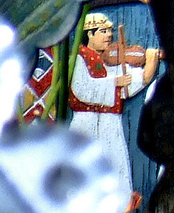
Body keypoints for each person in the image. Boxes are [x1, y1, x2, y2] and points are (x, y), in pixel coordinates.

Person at [69, 12, 162, 186]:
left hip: (110, 122)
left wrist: (150, 63)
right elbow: (82, 89)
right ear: (90, 34)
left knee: (116, 168)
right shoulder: (79, 58)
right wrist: (114, 83)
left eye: (110, 31)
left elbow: (131, 83)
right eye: (104, 31)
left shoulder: (107, 62)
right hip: (85, 123)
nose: (110, 36)